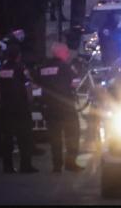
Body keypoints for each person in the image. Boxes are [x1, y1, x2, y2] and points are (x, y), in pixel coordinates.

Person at [37, 42, 82, 173]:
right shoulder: (65, 67)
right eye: (66, 52)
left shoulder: (43, 67)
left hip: (49, 107)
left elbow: (37, 83)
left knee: (55, 138)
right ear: (60, 53)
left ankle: (57, 166)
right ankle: (70, 163)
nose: (68, 55)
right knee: (72, 135)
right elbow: (74, 83)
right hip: (65, 107)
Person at [0, 42, 37, 173]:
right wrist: (30, 100)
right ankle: (25, 166)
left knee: (7, 137)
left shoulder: (1, 69)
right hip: (21, 106)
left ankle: (7, 166)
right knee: (24, 137)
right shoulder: (21, 68)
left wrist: (0, 101)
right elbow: (28, 85)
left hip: (6, 107)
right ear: (18, 55)